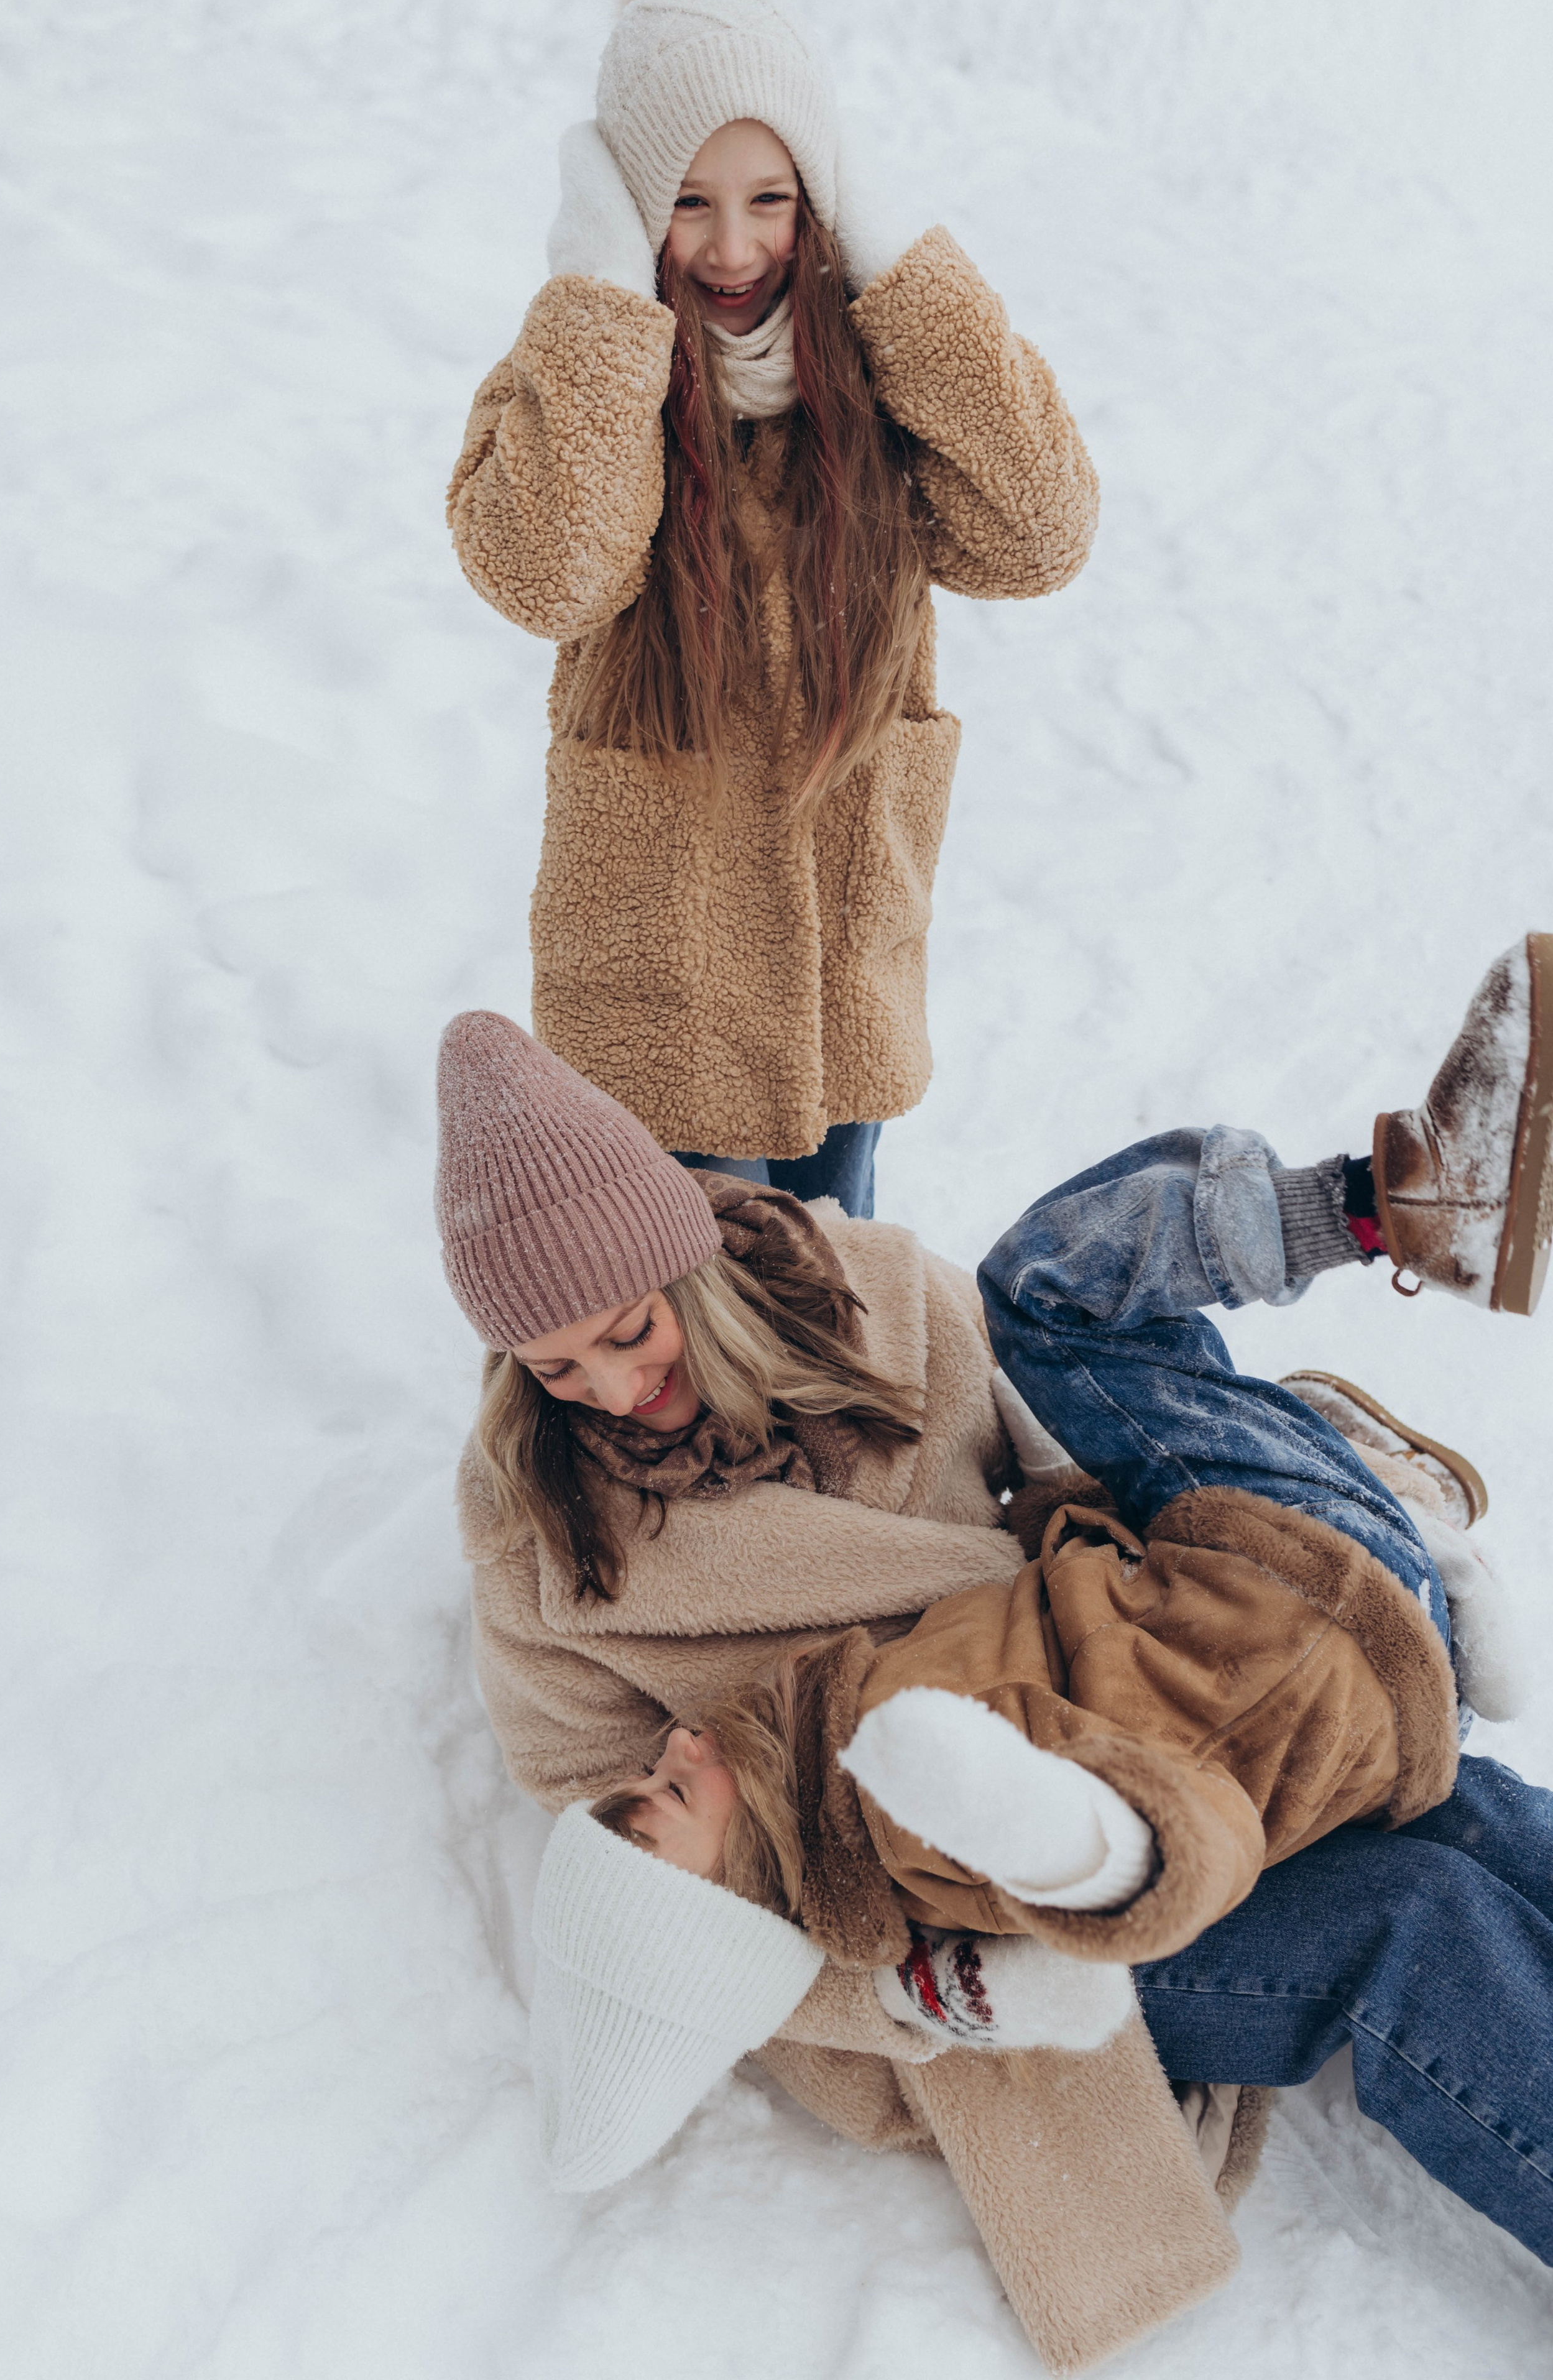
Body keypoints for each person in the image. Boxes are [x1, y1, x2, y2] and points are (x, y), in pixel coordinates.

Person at [436, 932, 1552, 2369]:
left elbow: (1062, 1464)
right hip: (988, 1922)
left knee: (1472, 1814)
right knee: (1408, 1916)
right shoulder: (540, 1551)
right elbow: (634, 1875)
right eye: (551, 1366)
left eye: (625, 1331)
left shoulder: (878, 1300)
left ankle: (1380, 1222)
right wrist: (916, 1991)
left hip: (1118, 1687)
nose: (609, 1390)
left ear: (689, 1268)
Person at [446, 0, 1098, 1216]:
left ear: (821, 204)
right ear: (630, 212)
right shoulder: (574, 382)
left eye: (770, 200)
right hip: (662, 996)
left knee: (830, 1312)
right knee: (706, 1343)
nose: (732, 250)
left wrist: (903, 265)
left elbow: (1041, 531)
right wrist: (598, 308)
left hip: (844, 974)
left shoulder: (882, 378)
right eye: (685, 201)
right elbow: (550, 574)